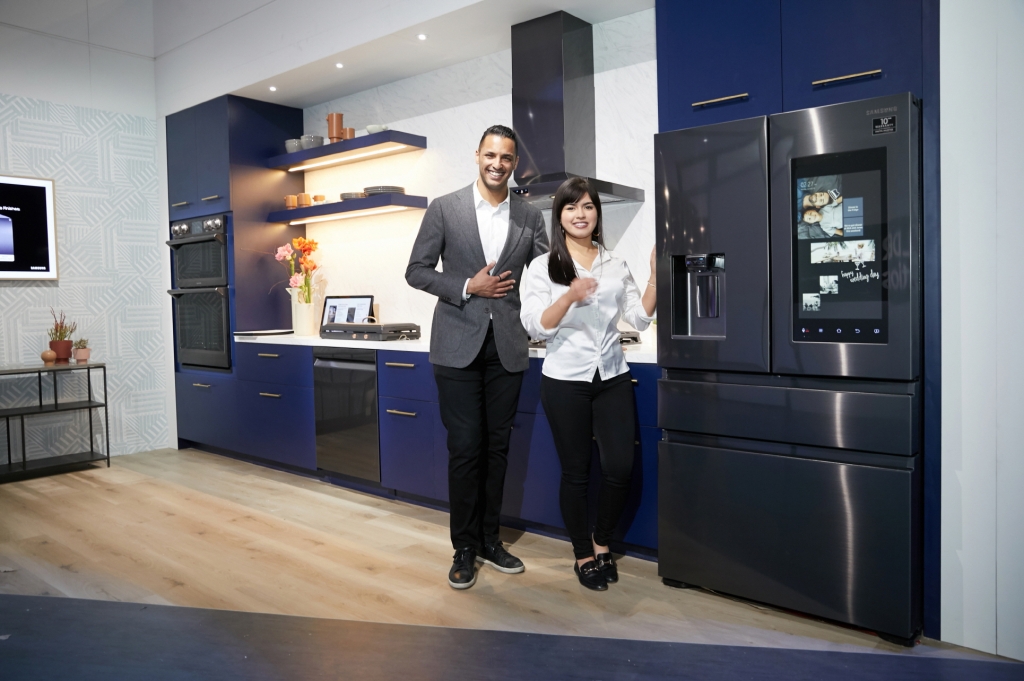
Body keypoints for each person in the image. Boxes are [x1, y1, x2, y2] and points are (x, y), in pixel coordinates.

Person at [406, 125, 549, 590]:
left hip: (507, 346)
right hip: (456, 346)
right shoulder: (444, 208)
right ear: (477, 156)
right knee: (466, 447)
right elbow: (416, 271)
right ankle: (464, 548)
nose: (497, 164)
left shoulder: (530, 216)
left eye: (506, 157)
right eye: (491, 155)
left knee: (497, 448)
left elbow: (547, 273)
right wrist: (469, 286)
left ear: (515, 163)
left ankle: (490, 539)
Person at [520, 177, 656, 591]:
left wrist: (656, 276)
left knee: (619, 468)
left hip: (612, 375)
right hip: (565, 380)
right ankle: (583, 555)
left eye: (587, 206)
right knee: (576, 473)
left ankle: (602, 542)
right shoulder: (543, 266)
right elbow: (535, 326)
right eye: (570, 207)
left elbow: (638, 318)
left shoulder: (615, 264)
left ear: (597, 213)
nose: (580, 214)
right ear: (559, 216)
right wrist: (568, 296)